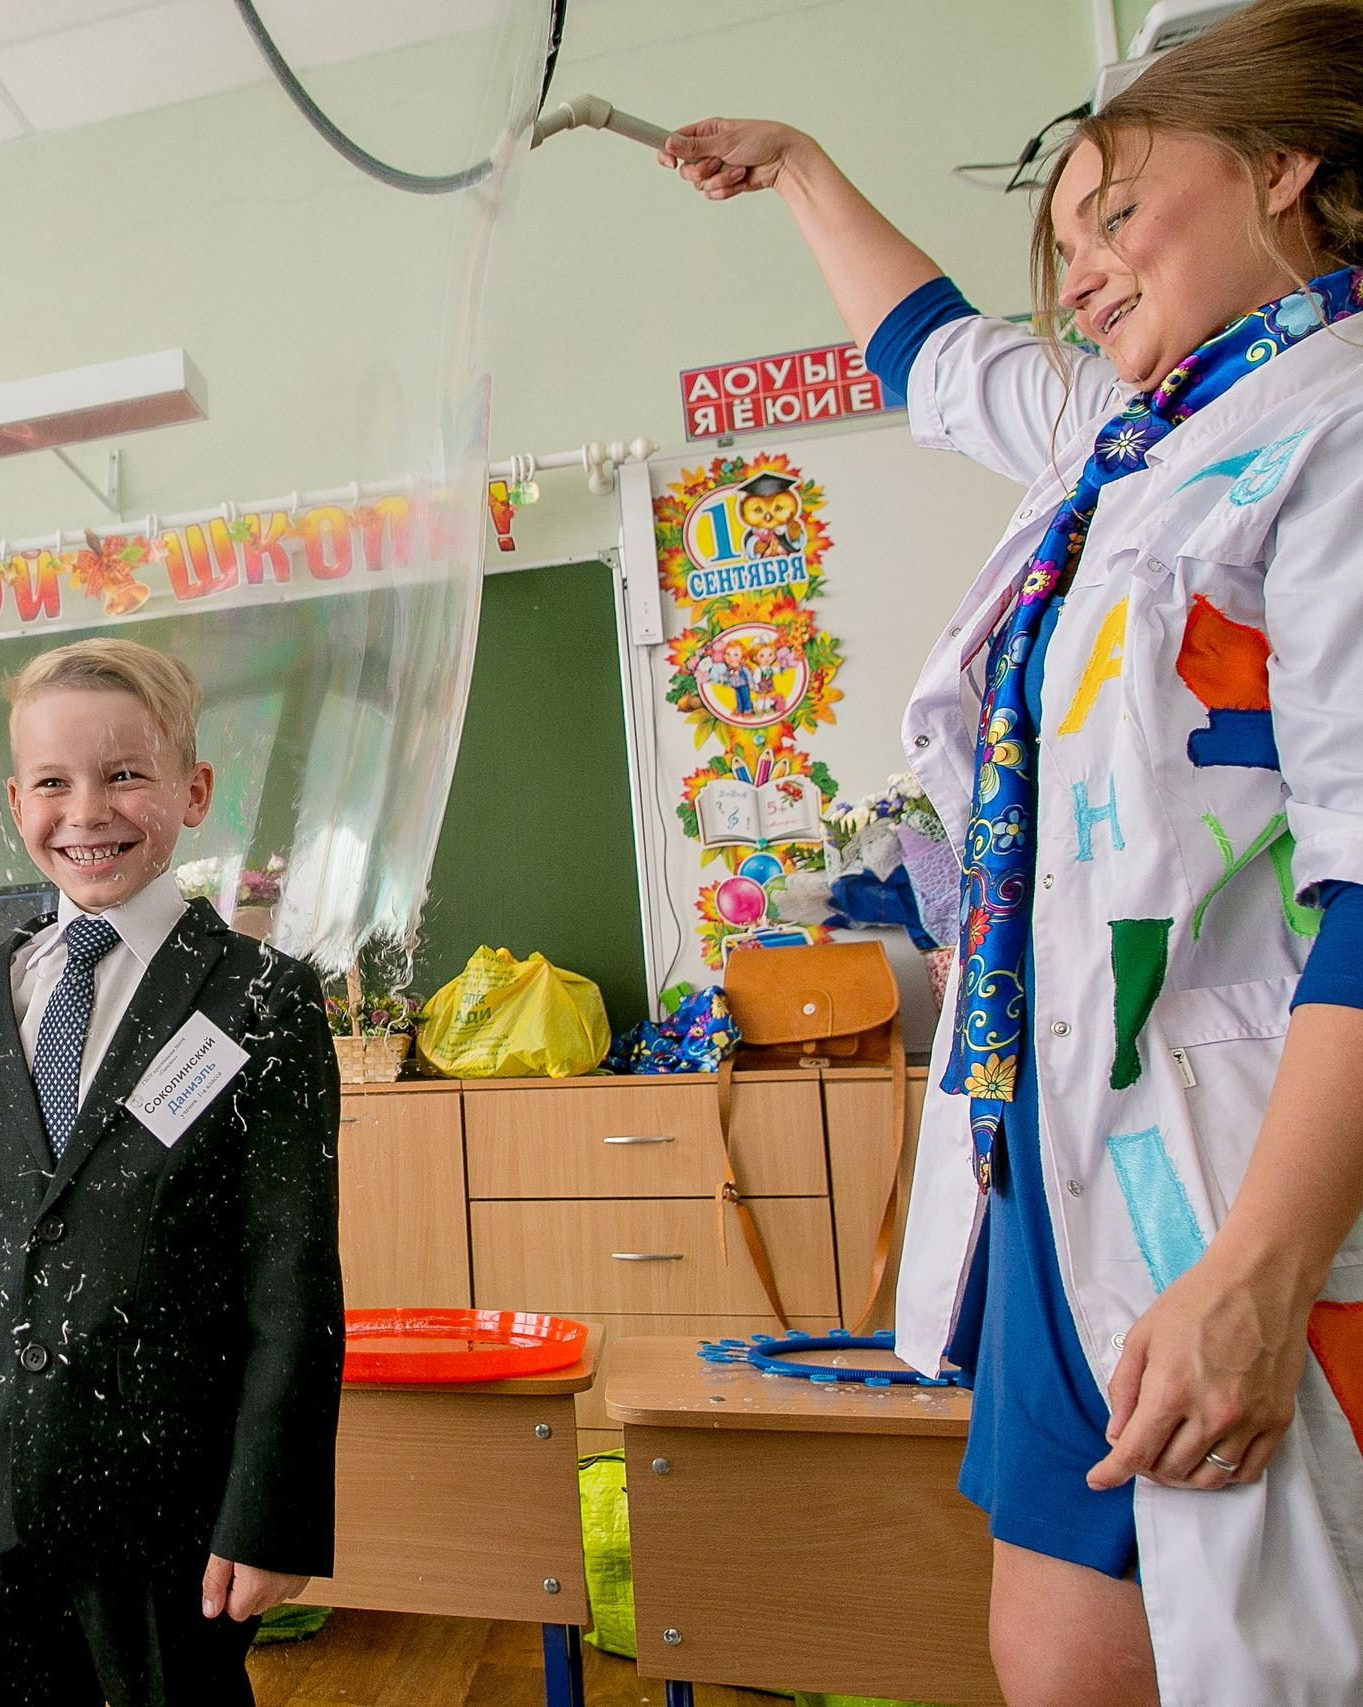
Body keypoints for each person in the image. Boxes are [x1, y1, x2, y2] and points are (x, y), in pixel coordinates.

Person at [659, 4, 1363, 1702]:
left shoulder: (1337, 427)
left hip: (1249, 1181)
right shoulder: (1137, 433)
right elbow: (934, 354)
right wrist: (802, 172)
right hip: (1060, 1152)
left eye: (1117, 214)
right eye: (1068, 243)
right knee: (1055, 1660)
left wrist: (1262, 1269)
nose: (1085, 275)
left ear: (1285, 165)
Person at [0, 638, 344, 1707]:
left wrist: (269, 1512)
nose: (87, 811)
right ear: (15, 801)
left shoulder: (261, 998)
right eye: (52, 783)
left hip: (170, 1504)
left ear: (192, 792)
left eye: (124, 775)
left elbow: (291, 1272)